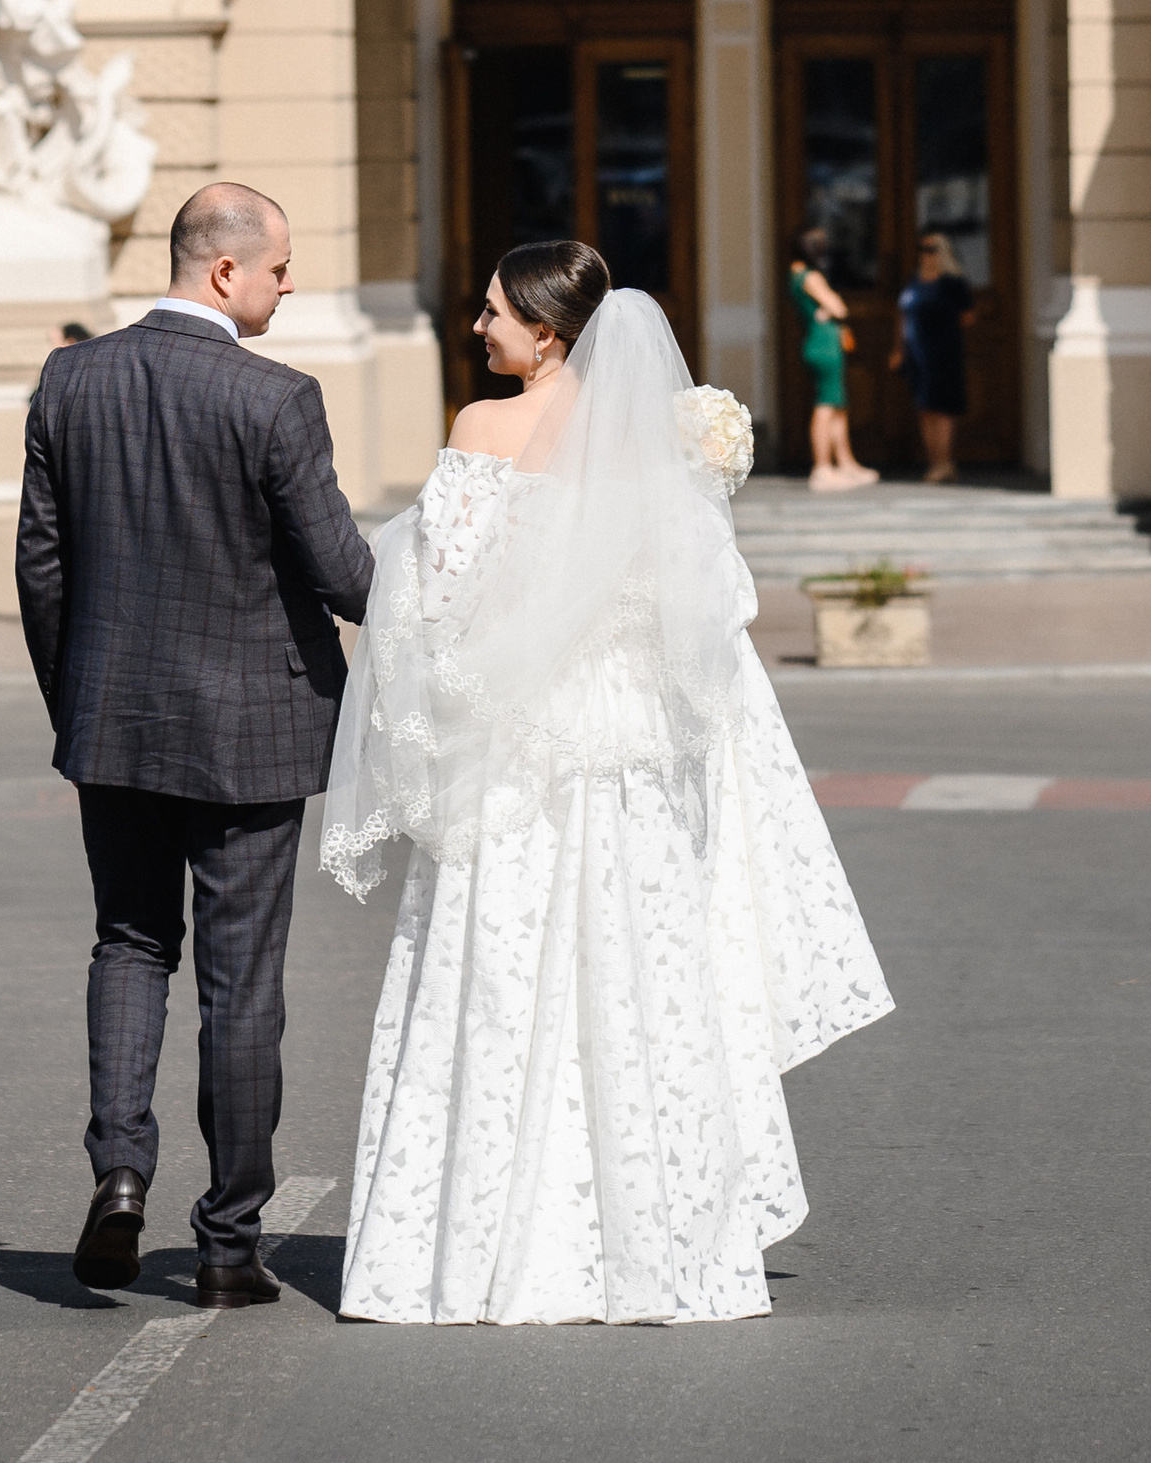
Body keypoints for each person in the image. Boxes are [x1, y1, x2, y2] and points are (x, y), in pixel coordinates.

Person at [322, 241, 893, 1323]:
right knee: (638, 978)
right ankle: (660, 1245)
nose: (477, 327)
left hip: (514, 754)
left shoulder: (483, 429)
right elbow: (703, 613)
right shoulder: (649, 447)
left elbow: (441, 598)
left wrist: (446, 681)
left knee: (500, 977)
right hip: (625, 753)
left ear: (546, 330)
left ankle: (486, 1248)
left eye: (492, 312)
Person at [15, 183, 375, 1307]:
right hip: (254, 731)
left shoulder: (70, 379)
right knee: (241, 983)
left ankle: (119, 1169)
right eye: (279, 266)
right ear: (225, 271)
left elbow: (41, 564)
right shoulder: (276, 398)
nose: (288, 284)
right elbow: (343, 575)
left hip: (112, 721)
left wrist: (79, 699)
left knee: (127, 944)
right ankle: (228, 1243)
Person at [785, 233, 877, 490]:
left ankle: (846, 463)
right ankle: (823, 467)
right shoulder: (810, 276)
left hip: (822, 342)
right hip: (823, 345)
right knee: (826, 405)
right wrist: (832, 306)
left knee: (837, 404)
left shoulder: (796, 275)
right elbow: (839, 308)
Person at [894, 229, 979, 483]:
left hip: (943, 353)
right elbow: (902, 316)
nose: (925, 255)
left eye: (931, 249)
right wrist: (898, 349)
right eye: (922, 249)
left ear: (943, 252)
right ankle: (934, 461)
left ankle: (944, 462)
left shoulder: (952, 283)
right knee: (924, 408)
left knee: (942, 409)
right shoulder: (914, 282)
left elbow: (967, 316)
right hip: (917, 355)